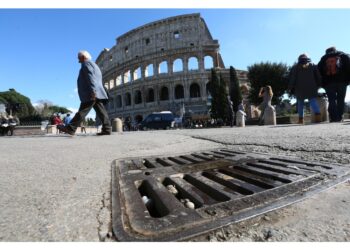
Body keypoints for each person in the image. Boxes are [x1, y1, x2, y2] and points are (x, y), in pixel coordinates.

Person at [58, 50, 111, 136]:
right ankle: (107, 129)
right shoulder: (95, 65)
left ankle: (71, 128)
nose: (78, 60)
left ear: (83, 57)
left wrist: (93, 91)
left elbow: (91, 77)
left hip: (91, 92)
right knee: (102, 112)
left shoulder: (86, 64)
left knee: (83, 111)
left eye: (79, 58)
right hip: (97, 92)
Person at [317, 47, 350, 122]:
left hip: (329, 83)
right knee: (341, 100)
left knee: (331, 100)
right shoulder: (343, 56)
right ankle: (340, 117)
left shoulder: (323, 59)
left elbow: (318, 73)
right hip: (342, 82)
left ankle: (334, 118)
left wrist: (322, 84)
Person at [289, 54, 322, 124]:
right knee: (313, 101)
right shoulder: (313, 65)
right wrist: (319, 85)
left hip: (299, 88)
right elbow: (318, 76)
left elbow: (293, 78)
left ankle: (301, 120)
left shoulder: (295, 67)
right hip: (312, 87)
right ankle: (318, 118)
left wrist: (290, 87)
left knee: (300, 104)